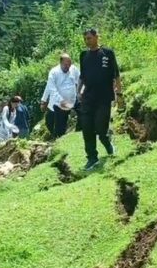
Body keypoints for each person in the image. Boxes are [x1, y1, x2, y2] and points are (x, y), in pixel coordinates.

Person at [78, 29, 121, 171]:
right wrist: (78, 92)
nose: (87, 41)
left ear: (96, 37)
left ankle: (108, 144)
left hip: (104, 98)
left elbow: (116, 75)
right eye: (85, 39)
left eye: (89, 38)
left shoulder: (107, 53)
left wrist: (119, 94)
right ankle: (92, 158)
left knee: (100, 129)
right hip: (88, 98)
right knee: (87, 129)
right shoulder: (83, 55)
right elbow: (82, 76)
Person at [41, 53, 80, 139]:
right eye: (65, 65)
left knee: (83, 112)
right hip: (59, 103)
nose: (68, 67)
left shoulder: (74, 69)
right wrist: (44, 100)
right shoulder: (54, 72)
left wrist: (81, 93)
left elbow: (80, 81)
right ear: (60, 63)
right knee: (53, 123)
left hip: (73, 100)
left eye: (69, 64)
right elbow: (51, 89)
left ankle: (77, 132)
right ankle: (56, 137)